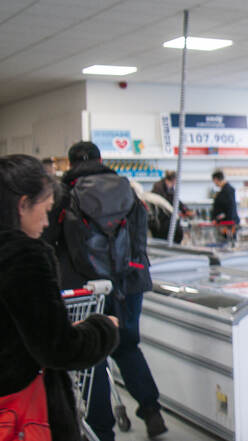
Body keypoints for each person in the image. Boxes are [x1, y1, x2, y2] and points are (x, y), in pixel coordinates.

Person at [42, 141, 167, 440]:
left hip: (85, 288)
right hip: (129, 283)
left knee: (93, 353)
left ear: (71, 164)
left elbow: (50, 240)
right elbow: (139, 240)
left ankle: (102, 430)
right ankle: (152, 411)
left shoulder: (63, 194)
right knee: (127, 346)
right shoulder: (127, 188)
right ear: (101, 159)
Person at [0, 154, 119, 441]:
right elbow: (57, 349)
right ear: (23, 204)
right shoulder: (24, 256)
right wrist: (103, 327)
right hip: (21, 412)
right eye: (45, 209)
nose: (46, 222)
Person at [210, 170, 239, 240]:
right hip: (224, 223)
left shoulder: (228, 191)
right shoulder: (224, 190)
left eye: (214, 181)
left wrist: (229, 224)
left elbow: (231, 207)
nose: (214, 183)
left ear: (216, 179)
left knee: (228, 242)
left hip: (227, 224)